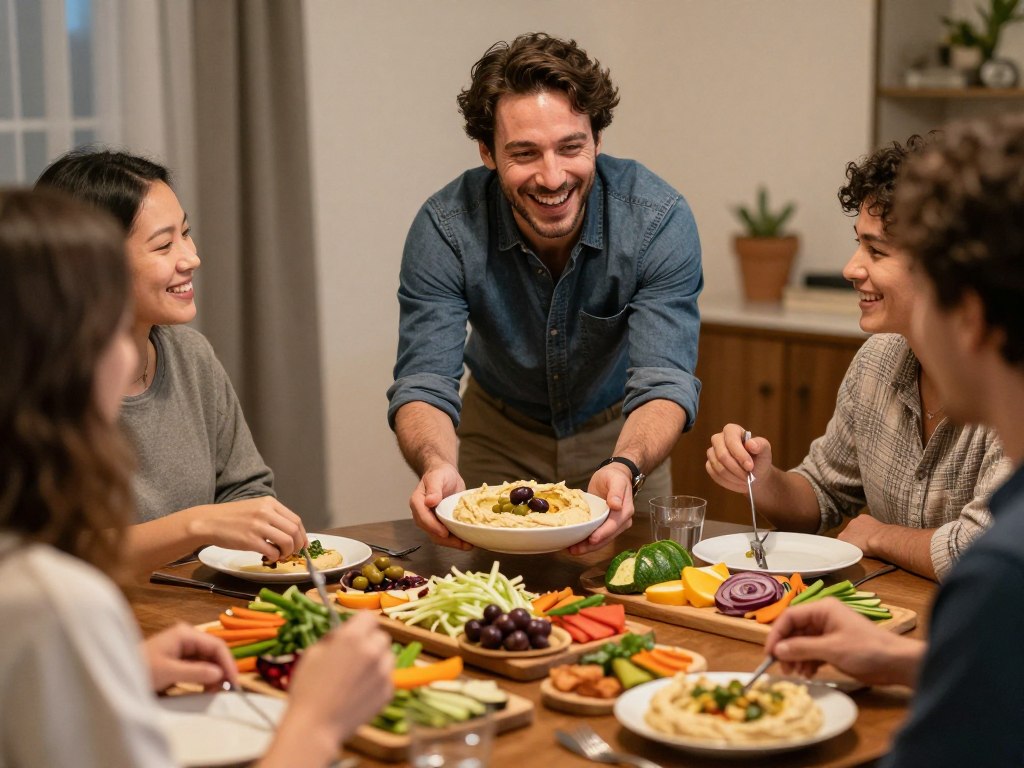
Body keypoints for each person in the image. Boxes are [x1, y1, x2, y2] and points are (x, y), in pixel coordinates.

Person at [0, 187, 394, 767]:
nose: (190, 257)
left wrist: (124, 670)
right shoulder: (57, 601)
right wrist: (317, 719)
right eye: (109, 326)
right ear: (67, 357)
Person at [387, 33, 703, 553]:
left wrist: (624, 465)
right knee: (491, 608)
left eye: (571, 147)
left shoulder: (657, 220)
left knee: (640, 596)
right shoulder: (445, 227)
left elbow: (664, 378)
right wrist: (438, 463)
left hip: (622, 433)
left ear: (598, 140)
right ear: (487, 152)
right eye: (525, 153)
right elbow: (424, 380)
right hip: (498, 432)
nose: (552, 176)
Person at [705, 136, 1009, 580]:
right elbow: (821, 498)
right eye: (858, 244)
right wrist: (762, 478)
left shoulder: (1008, 380)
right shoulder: (878, 361)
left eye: (877, 251)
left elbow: (981, 551)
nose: (851, 268)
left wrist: (878, 535)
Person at [36, 150, 307, 573]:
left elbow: (246, 490)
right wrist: (195, 525)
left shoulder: (190, 355)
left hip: (193, 606)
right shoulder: (30, 386)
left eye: (186, 233)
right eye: (164, 245)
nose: (191, 257)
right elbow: (53, 553)